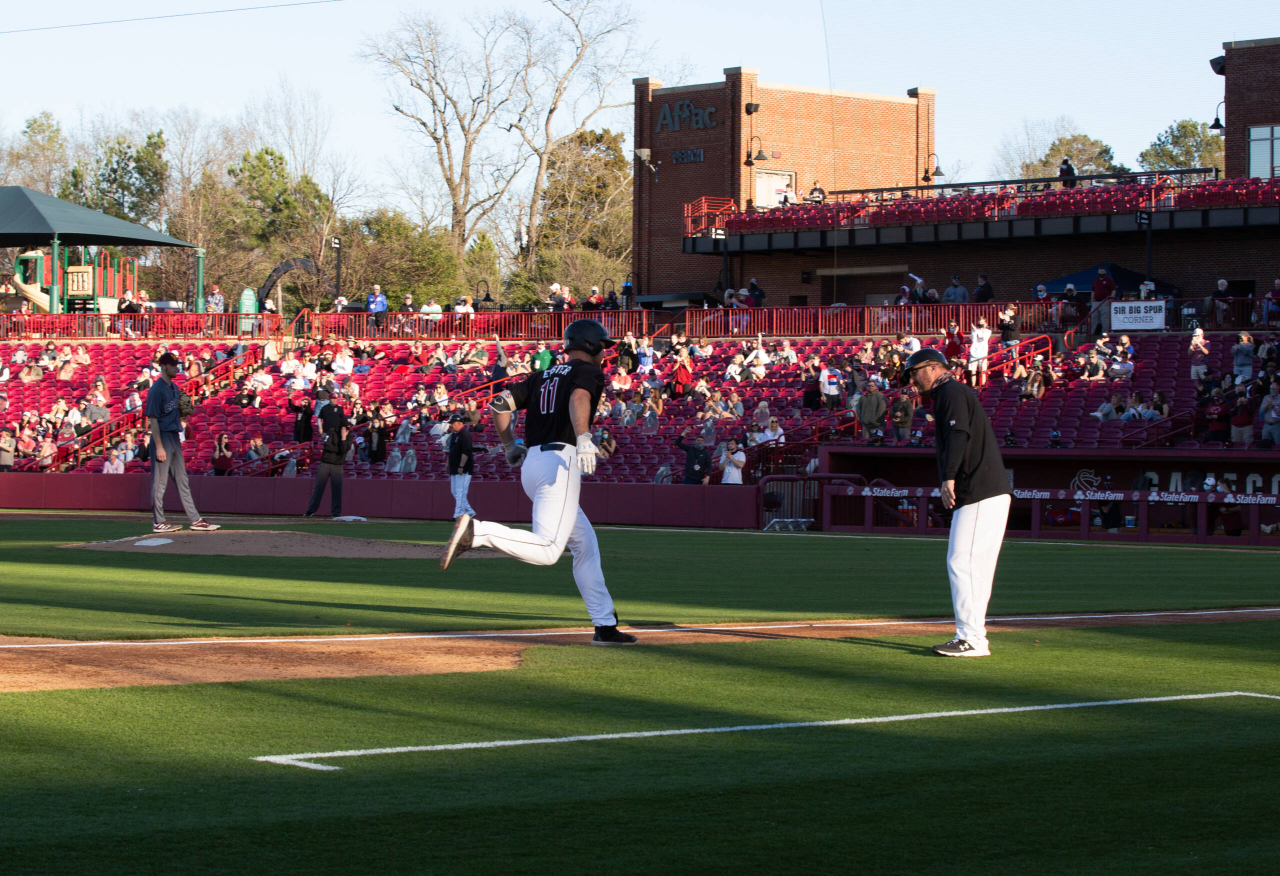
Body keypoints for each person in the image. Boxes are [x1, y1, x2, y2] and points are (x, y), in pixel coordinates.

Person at [439, 319, 636, 646]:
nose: (605, 351)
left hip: (533, 463)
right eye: (602, 345)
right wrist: (585, 436)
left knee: (585, 545)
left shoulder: (541, 375)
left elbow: (499, 404)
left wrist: (508, 445)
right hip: (560, 462)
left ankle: (604, 625)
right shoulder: (586, 371)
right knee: (547, 550)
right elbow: (579, 399)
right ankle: (479, 532)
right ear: (590, 345)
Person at [902, 348, 1011, 657]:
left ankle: (972, 638)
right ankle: (974, 637)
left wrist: (948, 476)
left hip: (979, 489)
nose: (912, 378)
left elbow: (958, 434)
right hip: (986, 491)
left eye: (916, 371)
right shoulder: (951, 392)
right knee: (973, 566)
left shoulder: (950, 390)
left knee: (962, 562)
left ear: (935, 368)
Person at [146, 352, 219, 534]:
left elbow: (178, 410)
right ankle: (158, 521)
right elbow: (153, 420)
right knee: (160, 482)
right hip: (162, 437)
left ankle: (195, 519)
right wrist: (159, 447)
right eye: (172, 365)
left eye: (176, 364)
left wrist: (183, 414)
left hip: (174, 435)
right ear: (163, 367)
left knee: (182, 479)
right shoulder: (156, 390)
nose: (176, 367)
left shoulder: (174, 388)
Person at [306, 406, 352, 518]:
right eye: (345, 427)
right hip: (326, 463)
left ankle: (336, 513)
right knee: (319, 488)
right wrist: (339, 447)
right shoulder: (331, 432)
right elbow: (328, 446)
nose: (346, 429)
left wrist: (343, 439)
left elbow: (344, 450)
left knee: (337, 490)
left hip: (338, 465)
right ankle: (310, 511)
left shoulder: (348, 436)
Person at [446, 412, 477, 520]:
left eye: (452, 423)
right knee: (455, 491)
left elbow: (466, 451)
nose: (451, 425)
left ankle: (458, 514)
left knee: (459, 492)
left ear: (459, 423)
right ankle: (469, 511)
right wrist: (448, 464)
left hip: (463, 469)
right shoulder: (455, 434)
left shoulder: (464, 434)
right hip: (455, 467)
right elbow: (451, 451)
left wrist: (461, 466)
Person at [967, 318, 992, 387]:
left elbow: (984, 338)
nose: (981, 324)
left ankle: (982, 385)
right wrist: (975, 331)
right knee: (973, 370)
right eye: (979, 322)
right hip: (974, 352)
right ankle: (973, 385)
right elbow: (973, 339)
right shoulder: (974, 330)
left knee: (983, 371)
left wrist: (979, 331)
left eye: (982, 322)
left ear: (986, 323)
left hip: (983, 353)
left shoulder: (988, 331)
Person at [1091, 267, 1116, 335]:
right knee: (1093, 317)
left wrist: (1111, 299)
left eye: (1102, 272)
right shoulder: (1096, 280)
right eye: (1100, 272)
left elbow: (1113, 290)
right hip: (1096, 302)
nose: (1101, 273)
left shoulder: (1109, 280)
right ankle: (1092, 332)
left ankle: (1105, 333)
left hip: (1105, 301)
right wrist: (1092, 300)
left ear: (1105, 272)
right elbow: (1093, 290)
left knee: (1105, 318)